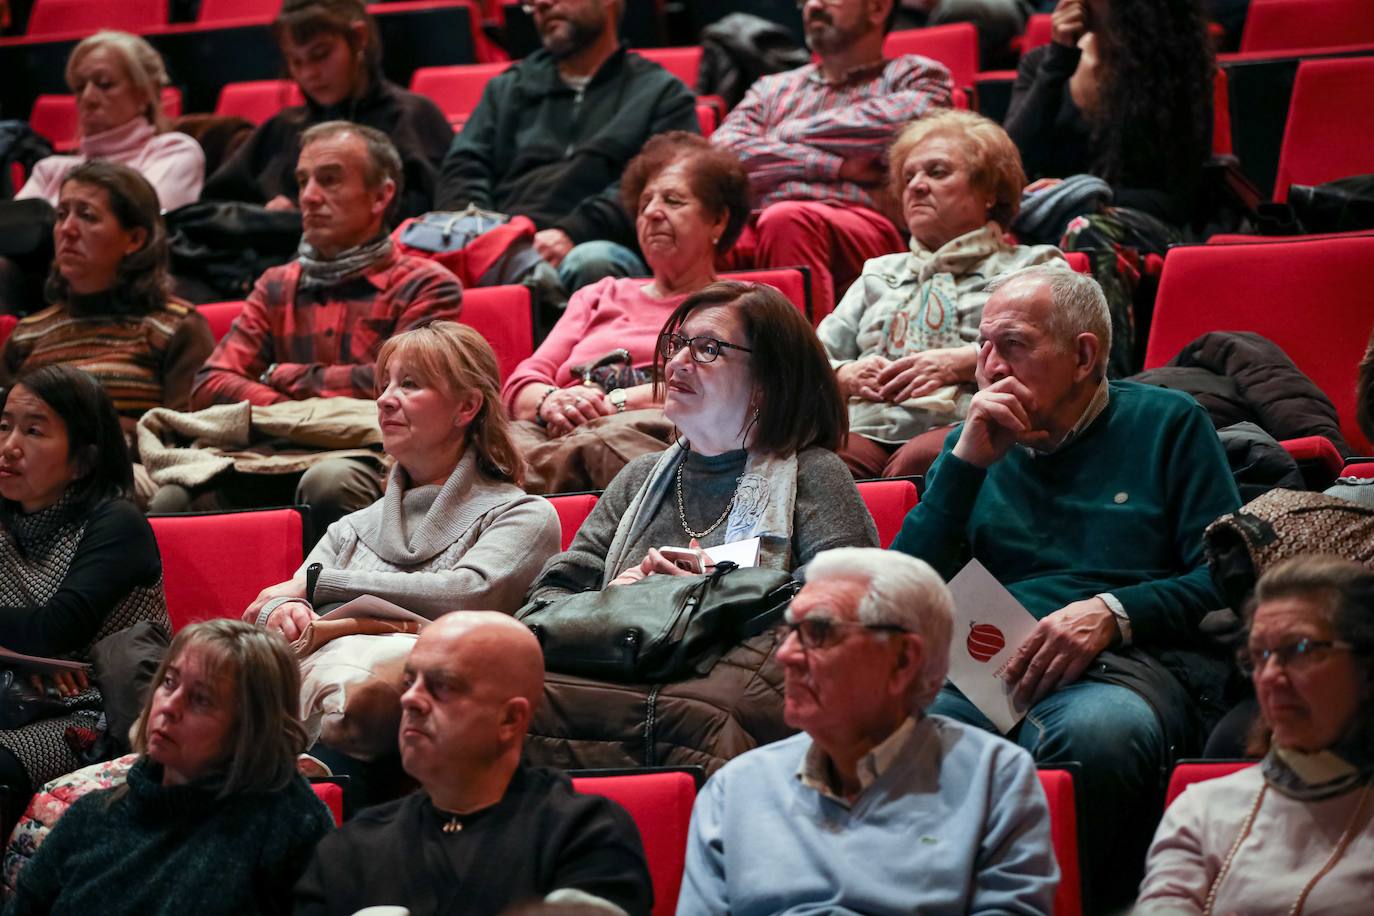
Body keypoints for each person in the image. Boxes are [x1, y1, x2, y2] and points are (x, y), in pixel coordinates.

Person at [890, 264, 1242, 909]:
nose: (990, 366)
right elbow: (908, 585)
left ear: (1084, 355)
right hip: (987, 659)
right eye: (982, 346)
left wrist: (1114, 611)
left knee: (1096, 736)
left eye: (1014, 344)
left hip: (1126, 662)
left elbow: (1223, 576)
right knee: (899, 732)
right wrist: (965, 465)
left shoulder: (1168, 423)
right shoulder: (972, 445)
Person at [676, 547, 1058, 915]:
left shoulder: (994, 779)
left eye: (818, 633)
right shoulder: (735, 789)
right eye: (787, 632)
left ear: (903, 660)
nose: (785, 655)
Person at [148, 122, 463, 532]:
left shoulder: (427, 284)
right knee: (173, 497)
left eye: (329, 180)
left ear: (381, 195)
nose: (310, 196)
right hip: (270, 449)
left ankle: (338, 597)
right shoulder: (276, 284)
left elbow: (402, 390)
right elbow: (210, 383)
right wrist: (293, 414)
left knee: (328, 484)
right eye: (303, 181)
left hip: (370, 449)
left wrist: (284, 377)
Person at [528, 280, 879, 600]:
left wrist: (709, 591)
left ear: (767, 382)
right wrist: (612, 599)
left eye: (708, 349)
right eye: (678, 344)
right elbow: (547, 597)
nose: (677, 363)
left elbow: (848, 595)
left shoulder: (814, 474)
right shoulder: (638, 477)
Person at [293, 611, 653, 916]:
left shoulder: (585, 833)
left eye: (442, 686)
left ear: (510, 720)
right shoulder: (353, 845)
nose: (411, 700)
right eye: (409, 682)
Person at [2, 619, 336, 916]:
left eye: (201, 699)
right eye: (169, 682)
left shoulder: (290, 823)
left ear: (250, 726)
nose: (169, 707)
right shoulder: (91, 816)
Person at [246, 320, 561, 630]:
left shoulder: (522, 515)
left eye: (409, 384)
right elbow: (283, 595)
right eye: (385, 385)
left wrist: (320, 585)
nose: (384, 399)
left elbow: (467, 596)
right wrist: (283, 610)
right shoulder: (352, 528)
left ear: (467, 406)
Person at [818, 110, 1065, 479]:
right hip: (868, 422)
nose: (915, 186)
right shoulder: (879, 272)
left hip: (969, 419)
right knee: (821, 464)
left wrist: (961, 362)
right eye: (908, 177)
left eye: (937, 172)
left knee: (923, 459)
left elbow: (1059, 348)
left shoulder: (1033, 265)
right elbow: (814, 356)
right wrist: (847, 373)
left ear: (990, 192)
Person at [501, 131, 750, 493]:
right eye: (645, 202)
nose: (652, 212)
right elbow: (525, 381)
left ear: (718, 221)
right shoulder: (600, 293)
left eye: (673, 200)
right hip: (559, 428)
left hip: (662, 432)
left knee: (599, 445)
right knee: (483, 450)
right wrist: (551, 401)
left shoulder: (742, 301)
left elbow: (745, 388)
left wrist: (614, 402)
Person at [1136, 555, 1374, 915]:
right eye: (1260, 655)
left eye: (1301, 649)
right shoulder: (1202, 808)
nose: (1270, 676)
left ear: (1367, 667)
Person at [1004, 0, 1215, 373]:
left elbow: (1180, 199)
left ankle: (1103, 388)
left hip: (1142, 224)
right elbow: (1007, 163)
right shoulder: (1044, 63)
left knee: (1086, 229)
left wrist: (1084, 192)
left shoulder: (1172, 70)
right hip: (1048, 218)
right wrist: (1058, 61)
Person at [434, 0, 701, 293]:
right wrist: (487, 238)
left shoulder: (662, 93)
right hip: (503, 244)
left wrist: (572, 232)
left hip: (598, 245)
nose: (542, 4)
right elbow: (463, 169)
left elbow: (662, 184)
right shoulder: (507, 89)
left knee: (592, 261)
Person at [0, 365, 170, 823]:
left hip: (87, 714)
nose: (9, 446)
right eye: (4, 425)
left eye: (33, 431)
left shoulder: (115, 523)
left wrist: (20, 651)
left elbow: (54, 630)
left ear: (84, 460)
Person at [711, 0, 954, 320]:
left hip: (862, 221)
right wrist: (835, 165)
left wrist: (780, 135)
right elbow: (724, 154)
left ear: (877, 9)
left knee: (786, 219)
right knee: (701, 228)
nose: (814, 5)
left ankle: (807, 365)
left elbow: (892, 125)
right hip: (760, 218)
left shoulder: (916, 76)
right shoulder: (771, 88)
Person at [0, 162, 214, 453]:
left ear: (135, 239)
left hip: (129, 479)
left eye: (87, 216)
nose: (67, 229)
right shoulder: (28, 334)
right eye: (61, 215)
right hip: (28, 484)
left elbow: (188, 437)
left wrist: (78, 441)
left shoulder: (176, 327)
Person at [202, 0, 453, 221]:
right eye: (296, 61)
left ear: (359, 38)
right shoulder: (281, 128)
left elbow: (437, 215)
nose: (309, 73)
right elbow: (214, 207)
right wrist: (263, 217)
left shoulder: (412, 116)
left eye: (320, 55)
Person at [15, 31, 204, 211]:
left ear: (144, 94)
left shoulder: (173, 152)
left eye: (104, 84)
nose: (88, 97)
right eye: (80, 87)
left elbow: (136, 224)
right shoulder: (49, 171)